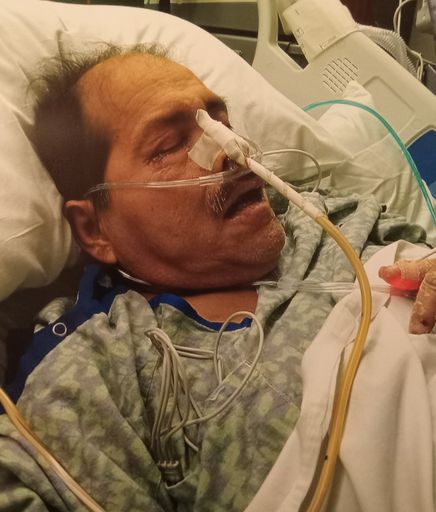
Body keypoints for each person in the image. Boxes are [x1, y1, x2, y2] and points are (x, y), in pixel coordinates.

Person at [0, 44, 432, 512]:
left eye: (220, 122)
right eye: (168, 146)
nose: (233, 150)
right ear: (94, 229)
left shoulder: (338, 219)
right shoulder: (92, 379)